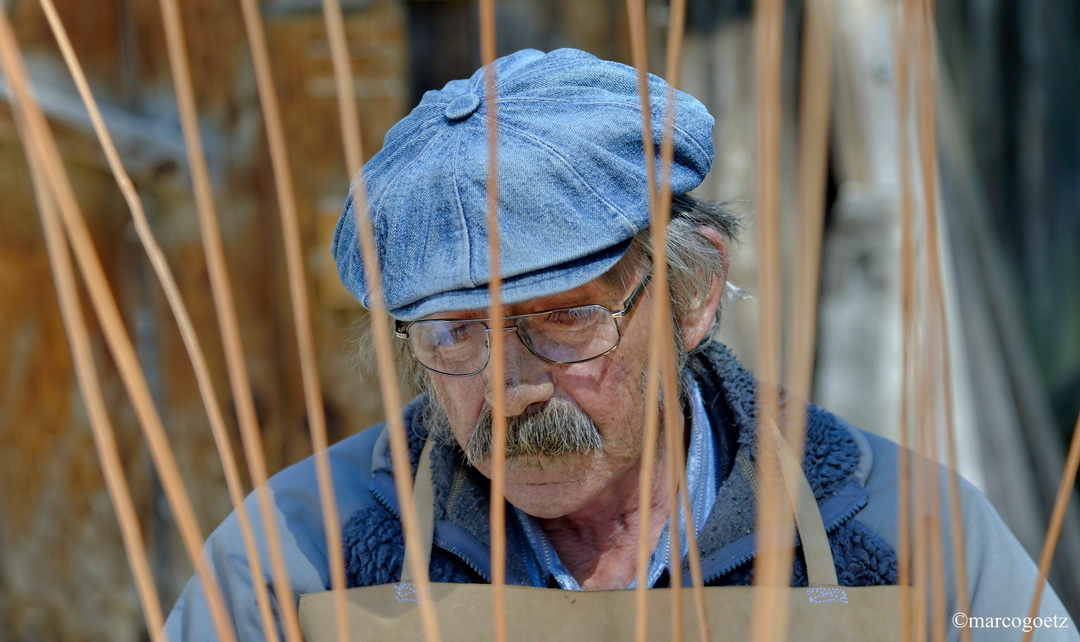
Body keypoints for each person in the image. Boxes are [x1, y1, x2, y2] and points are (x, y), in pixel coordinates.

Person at [164, 48, 1076, 640]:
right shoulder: (297, 559)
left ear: (693, 294)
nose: (513, 386)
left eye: (564, 317)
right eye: (456, 334)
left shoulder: (910, 538)